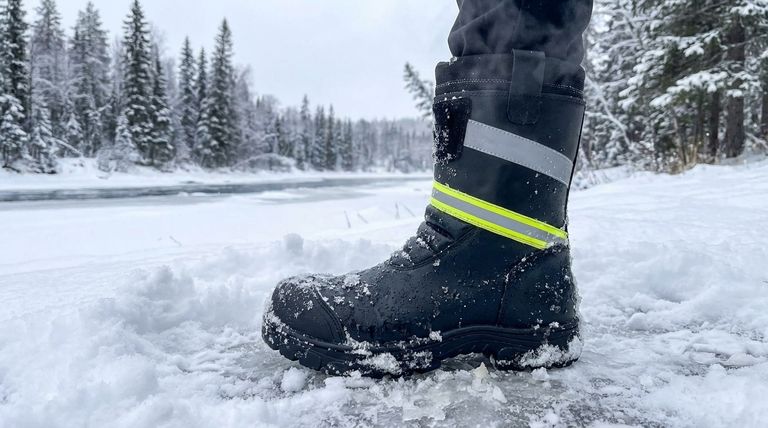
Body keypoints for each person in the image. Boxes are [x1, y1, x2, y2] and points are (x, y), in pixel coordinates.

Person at [262, 0, 594, 377]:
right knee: (513, 24)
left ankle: (506, 272)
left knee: (515, 21)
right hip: (531, 285)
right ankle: (532, 287)